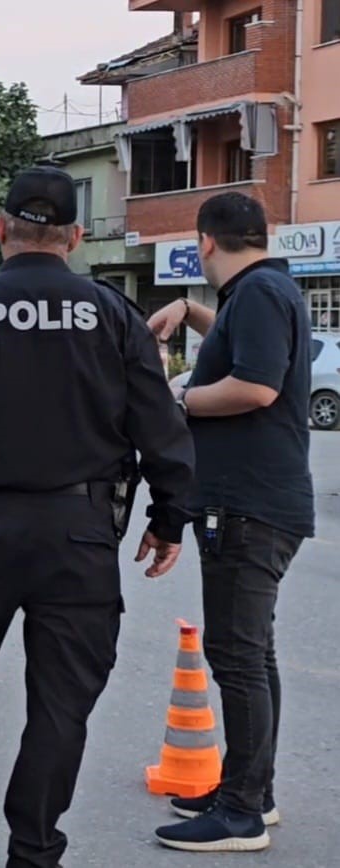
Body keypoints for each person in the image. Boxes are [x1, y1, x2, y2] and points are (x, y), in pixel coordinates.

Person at [0, 166, 195, 868]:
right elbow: (160, 426)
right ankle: (33, 849)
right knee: (60, 706)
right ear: (76, 236)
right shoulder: (110, 313)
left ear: (0, 231)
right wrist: (170, 518)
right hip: (78, 536)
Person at [146, 192, 314, 853]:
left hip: (248, 505)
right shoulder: (263, 291)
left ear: (204, 244)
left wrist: (175, 397)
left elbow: (254, 385)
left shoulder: (260, 295)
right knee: (252, 653)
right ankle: (252, 791)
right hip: (257, 501)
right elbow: (242, 348)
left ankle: (241, 813)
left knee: (236, 656)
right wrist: (190, 311)